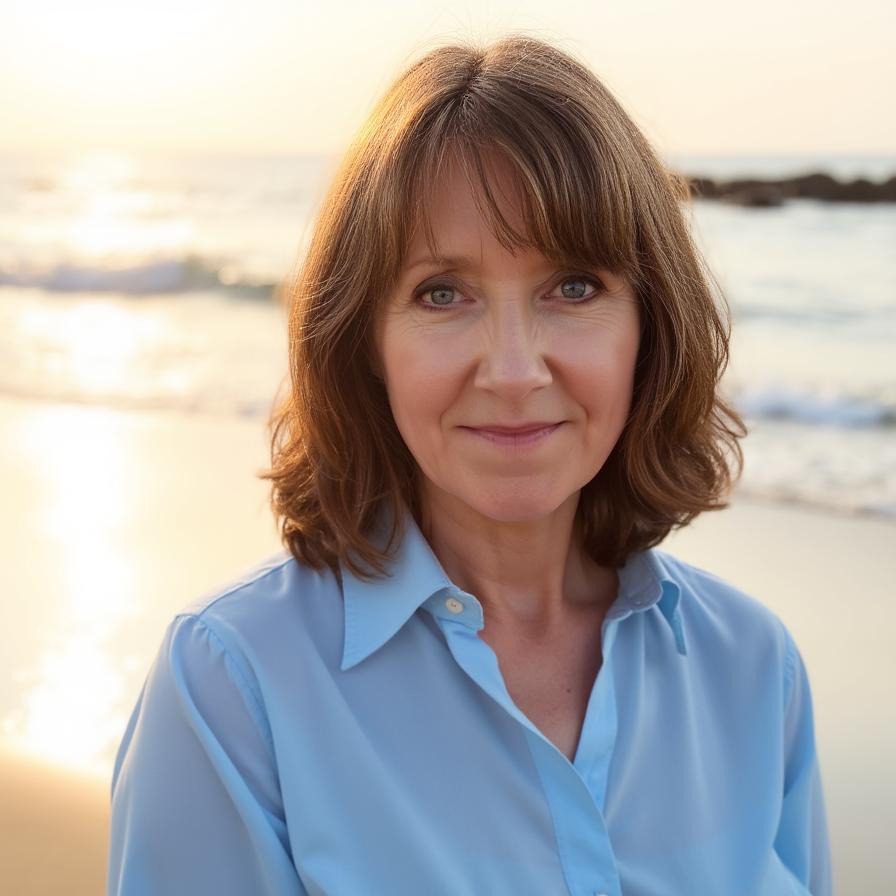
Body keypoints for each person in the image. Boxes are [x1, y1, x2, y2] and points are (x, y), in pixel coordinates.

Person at [107, 33, 832, 896]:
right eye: (441, 293)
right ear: (364, 344)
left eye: (573, 286)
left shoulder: (753, 670)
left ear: (650, 326)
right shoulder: (234, 686)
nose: (517, 370)